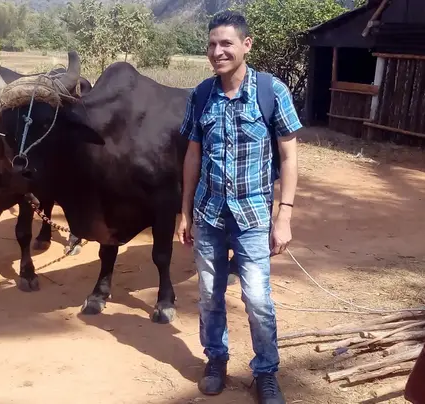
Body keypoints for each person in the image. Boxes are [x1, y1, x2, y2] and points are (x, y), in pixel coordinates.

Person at [176, 10, 302, 404]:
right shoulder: (200, 95)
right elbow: (192, 155)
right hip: (209, 214)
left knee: (258, 300)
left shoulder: (271, 91)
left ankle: (265, 373)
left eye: (226, 43)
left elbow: (289, 156)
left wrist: (284, 215)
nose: (218, 51)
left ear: (246, 45)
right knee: (209, 295)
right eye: (212, 44)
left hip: (253, 217)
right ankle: (216, 360)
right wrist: (185, 211)